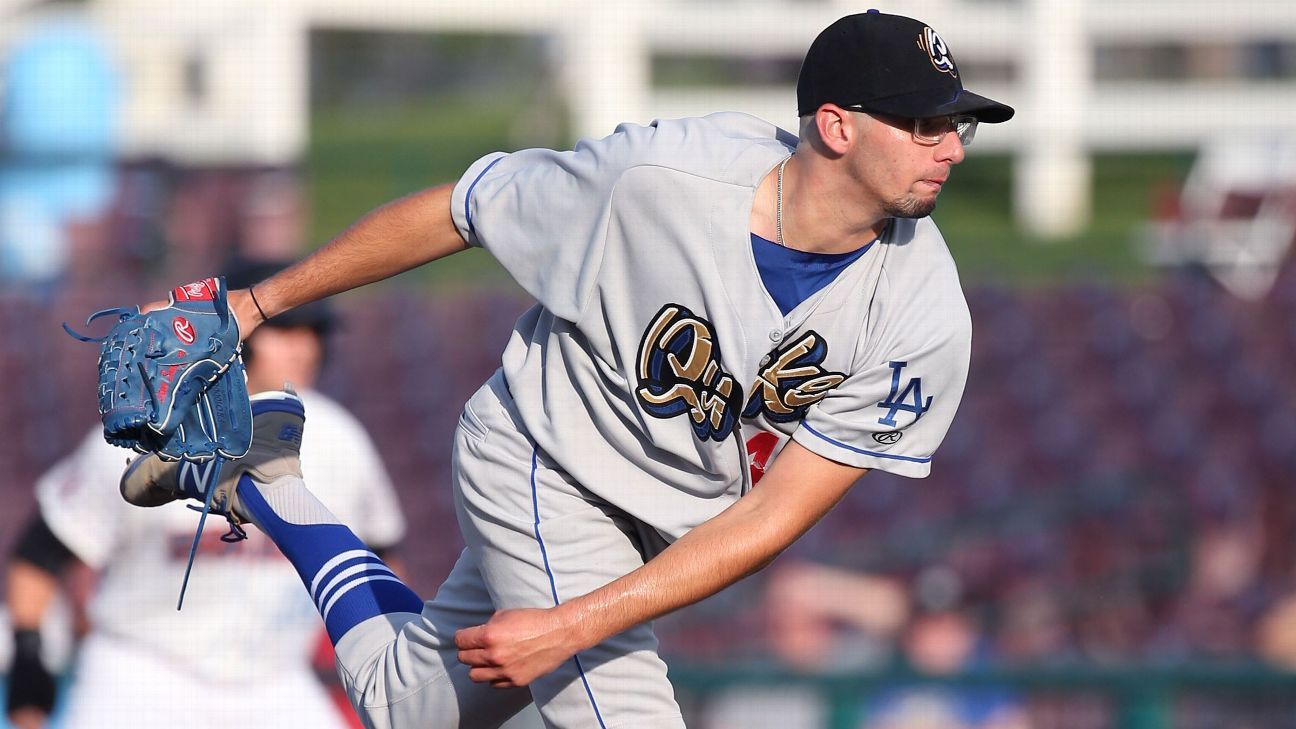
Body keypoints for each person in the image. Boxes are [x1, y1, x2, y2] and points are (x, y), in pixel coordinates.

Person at [131, 11, 1012, 728]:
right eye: (923, 123)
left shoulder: (923, 315)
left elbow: (776, 516)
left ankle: (267, 481)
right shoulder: (659, 179)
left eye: (955, 123)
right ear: (837, 125)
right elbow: (461, 207)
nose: (953, 147)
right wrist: (254, 304)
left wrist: (574, 620)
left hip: (659, 523)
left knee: (411, 705)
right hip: (542, 459)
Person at [4, 260, 407, 729]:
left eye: (314, 334)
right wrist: (29, 660)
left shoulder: (342, 439)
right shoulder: (145, 431)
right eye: (286, 330)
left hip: (274, 680)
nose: (305, 348)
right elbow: (40, 552)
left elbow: (380, 555)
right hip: (141, 672)